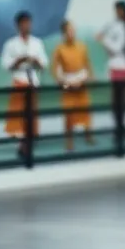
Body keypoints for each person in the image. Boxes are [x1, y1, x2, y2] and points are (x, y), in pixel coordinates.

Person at [0, 10, 47, 156]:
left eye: (28, 23)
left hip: (33, 81)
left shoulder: (37, 42)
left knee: (32, 114)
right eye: (23, 23)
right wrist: (18, 61)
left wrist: (36, 61)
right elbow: (5, 64)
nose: (26, 26)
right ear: (17, 25)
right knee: (19, 115)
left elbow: (45, 63)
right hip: (19, 81)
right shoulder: (11, 43)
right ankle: (22, 145)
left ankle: (30, 141)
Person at [96, 0, 125, 141]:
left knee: (121, 101)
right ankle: (119, 129)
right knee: (118, 101)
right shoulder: (117, 25)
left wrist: (103, 40)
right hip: (118, 67)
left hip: (122, 67)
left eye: (119, 10)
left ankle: (121, 129)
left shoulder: (123, 26)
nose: (117, 13)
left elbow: (116, 48)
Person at [51, 19, 95, 151]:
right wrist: (62, 81)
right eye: (69, 31)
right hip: (68, 83)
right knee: (69, 114)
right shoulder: (59, 49)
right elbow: (55, 69)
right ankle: (69, 141)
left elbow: (87, 63)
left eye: (73, 30)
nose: (72, 33)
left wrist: (89, 77)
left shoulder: (82, 46)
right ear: (64, 33)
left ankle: (88, 136)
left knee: (86, 111)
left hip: (81, 81)